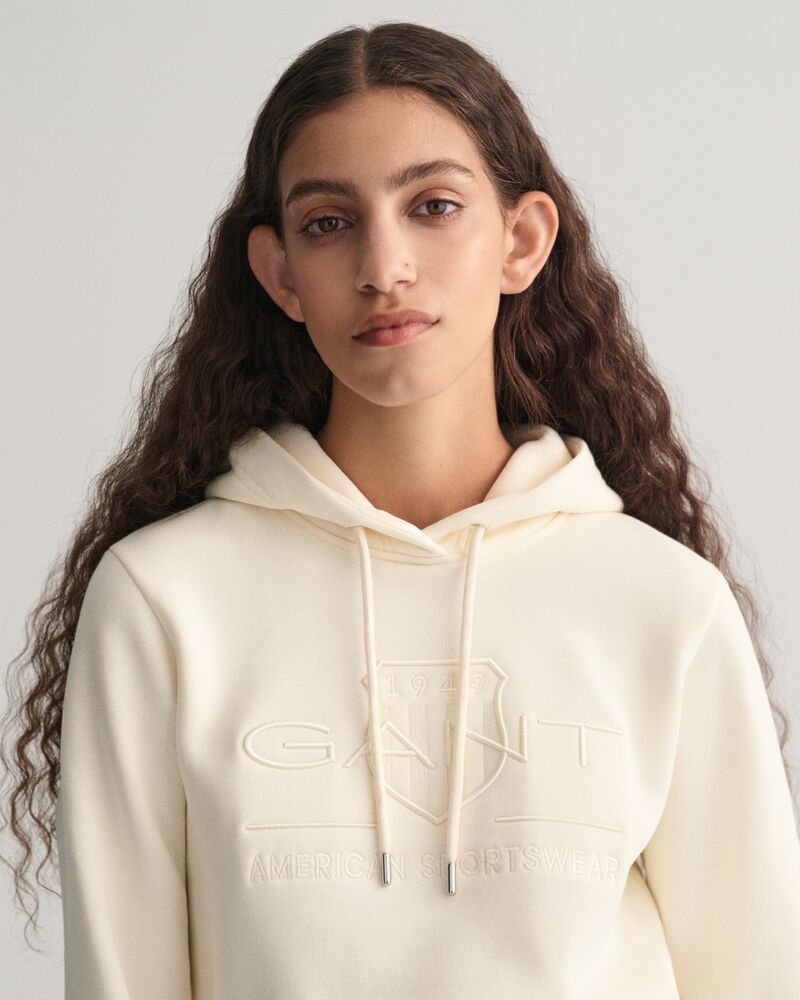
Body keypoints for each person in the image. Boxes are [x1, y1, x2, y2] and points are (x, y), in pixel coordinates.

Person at [2, 20, 799, 1000]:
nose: (384, 266)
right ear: (279, 273)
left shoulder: (664, 602)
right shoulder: (162, 600)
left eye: (433, 206)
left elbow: (756, 974)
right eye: (328, 223)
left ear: (521, 240)